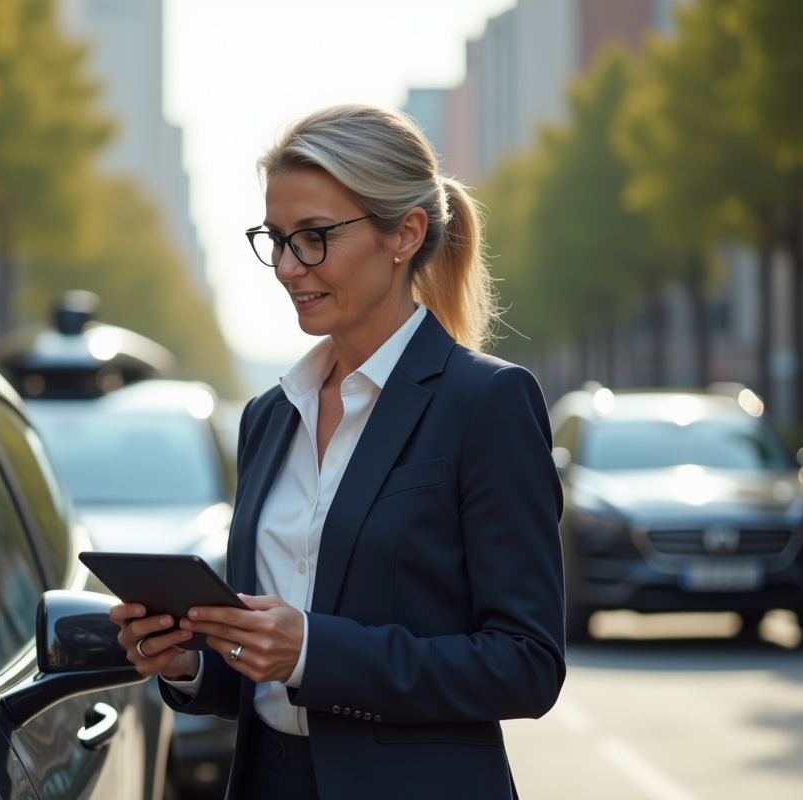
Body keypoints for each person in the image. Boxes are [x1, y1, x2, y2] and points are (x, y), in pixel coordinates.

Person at [110, 105, 565, 800]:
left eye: (315, 238)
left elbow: (528, 663)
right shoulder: (269, 417)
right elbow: (263, 664)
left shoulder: (486, 404)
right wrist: (189, 664)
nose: (288, 267)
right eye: (276, 239)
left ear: (405, 234)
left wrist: (316, 653)